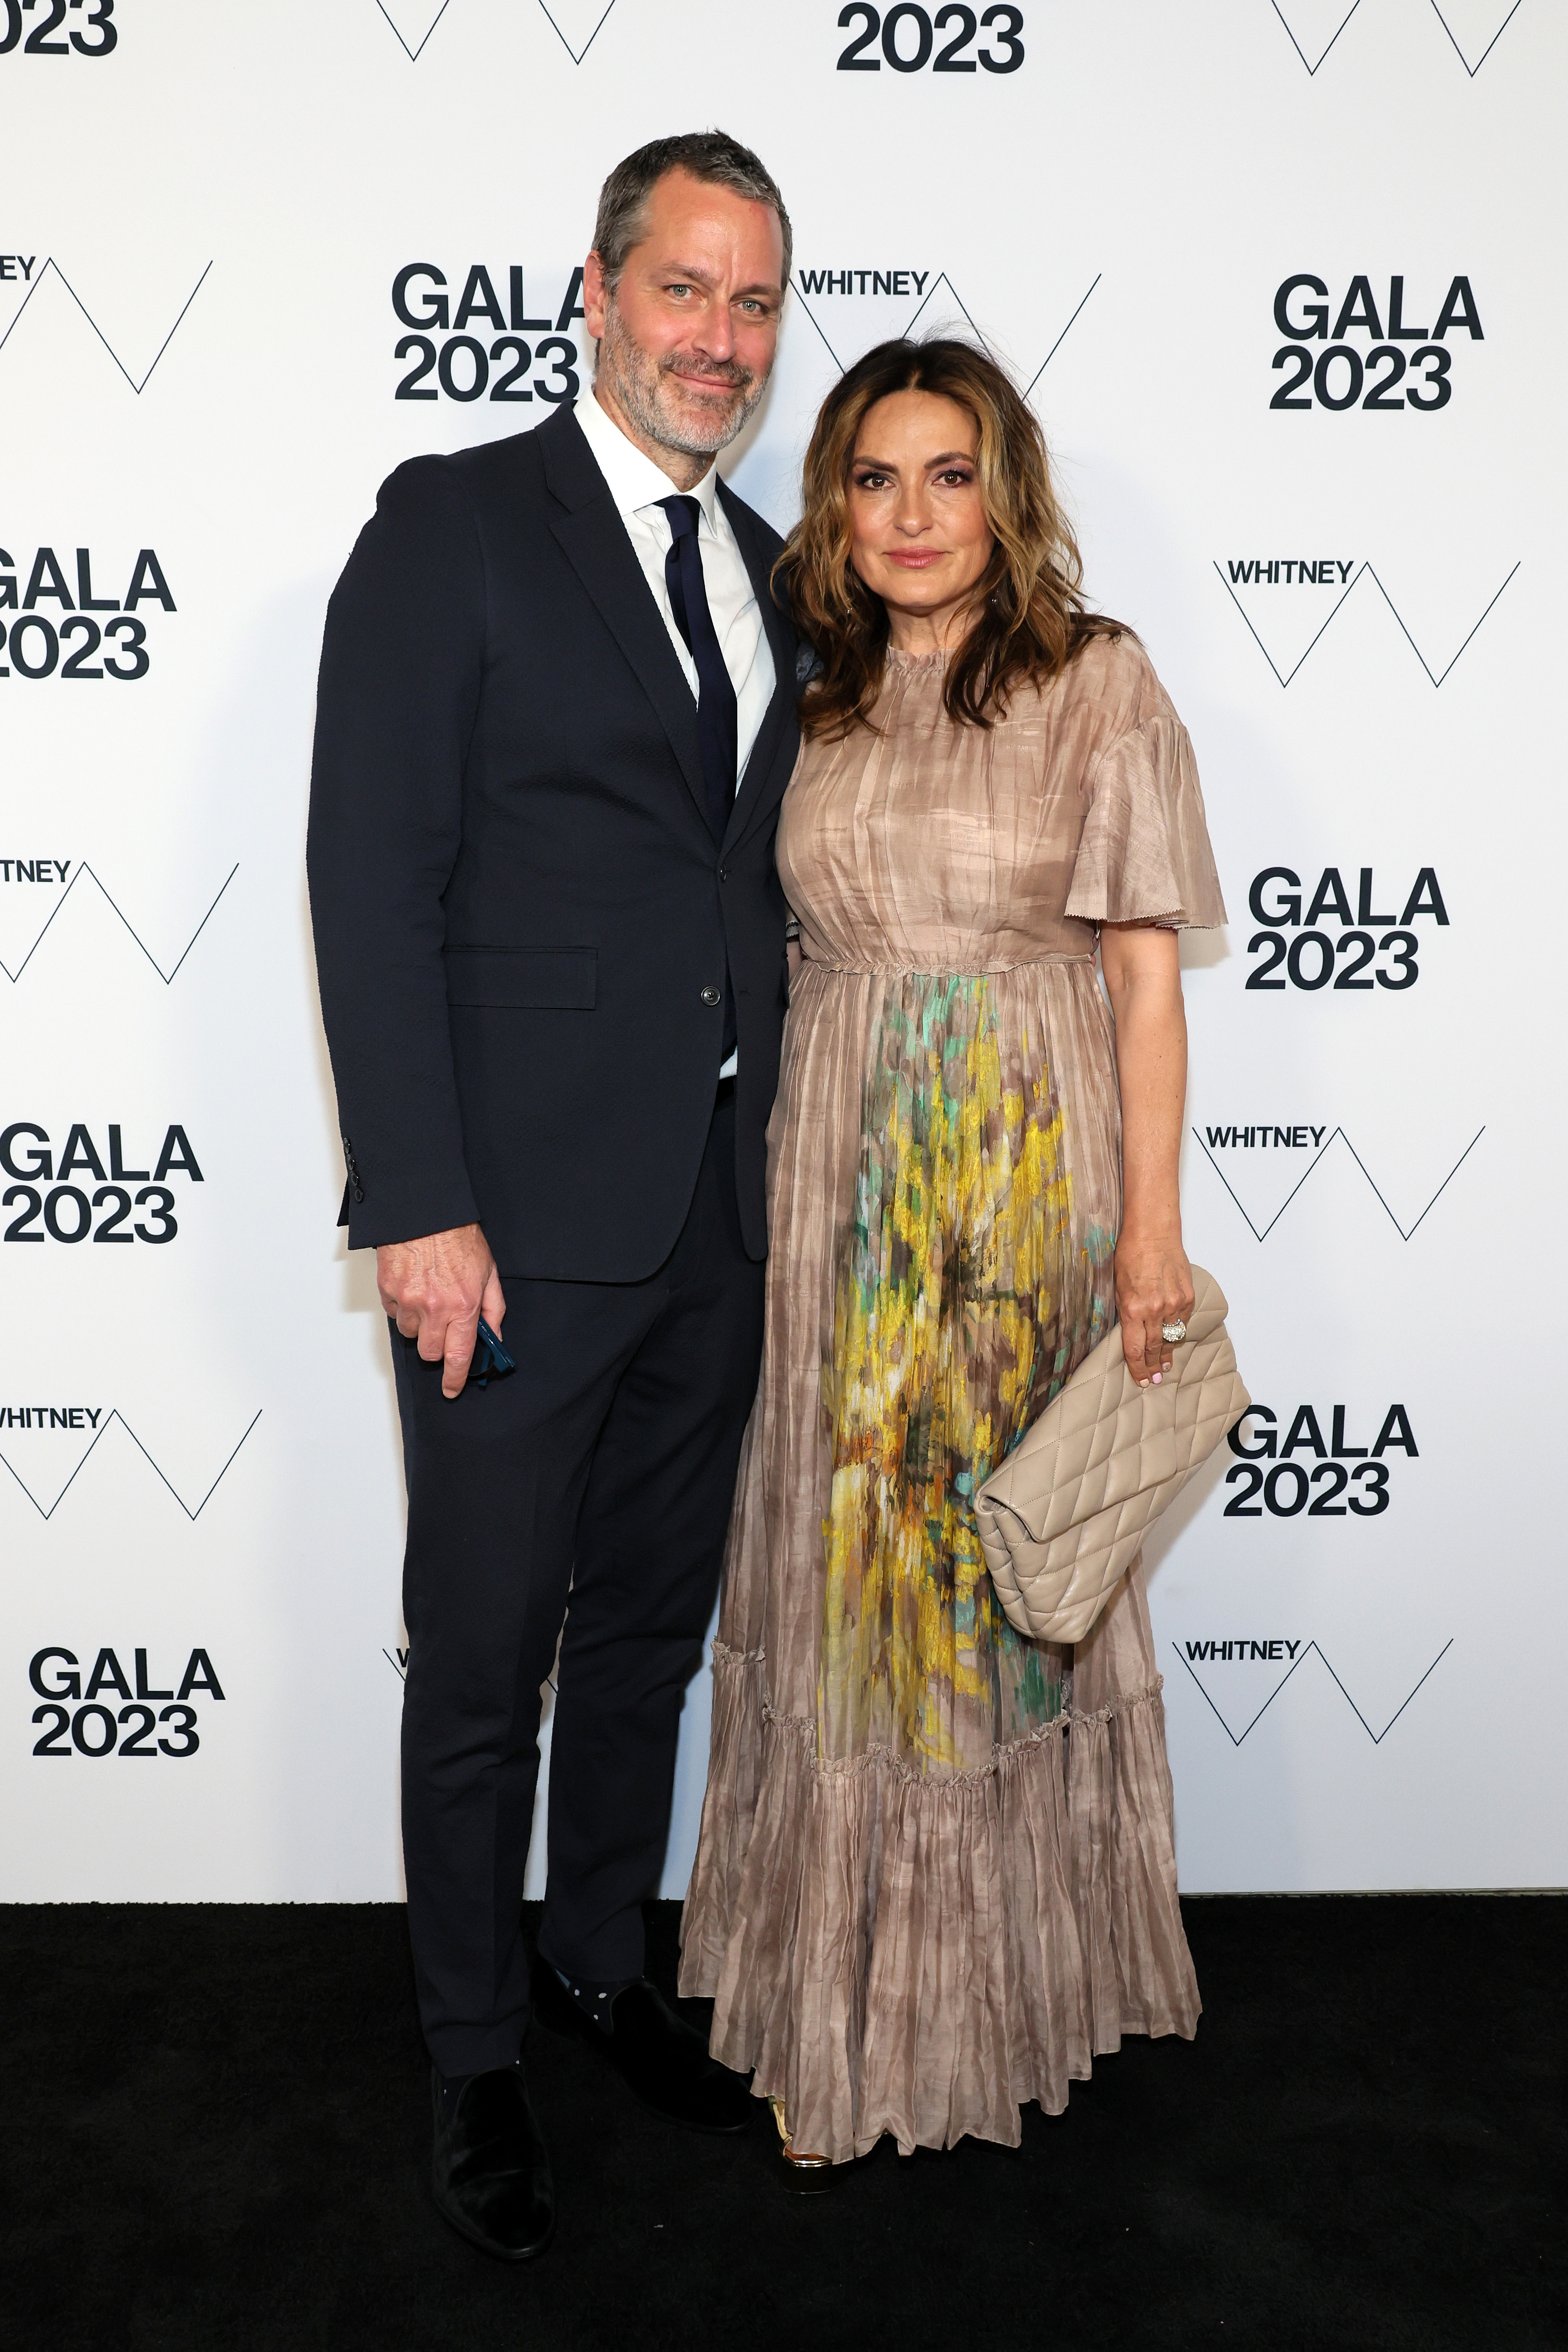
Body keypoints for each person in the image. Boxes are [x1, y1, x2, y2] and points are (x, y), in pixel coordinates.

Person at [306, 132, 803, 2261]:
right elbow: (369, 872)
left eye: (757, 301)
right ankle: (474, 2046)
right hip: (503, 1226)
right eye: (683, 289)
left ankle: (601, 1960)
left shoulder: (775, 562)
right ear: (592, 295)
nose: (719, 336)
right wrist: (415, 1201)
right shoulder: (452, 526)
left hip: (715, 1209)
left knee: (645, 1637)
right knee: (483, 1648)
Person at [679, 337, 1226, 2176]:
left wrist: (1148, 1231)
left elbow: (1144, 983)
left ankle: (1005, 1999)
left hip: (1020, 1172)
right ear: (834, 503)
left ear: (1007, 490)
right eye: (873, 477)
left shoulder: (1095, 682)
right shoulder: (807, 691)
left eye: (950, 473)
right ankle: (833, 1995)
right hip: (832, 1178)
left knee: (997, 1599)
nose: (912, 515)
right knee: (848, 1586)